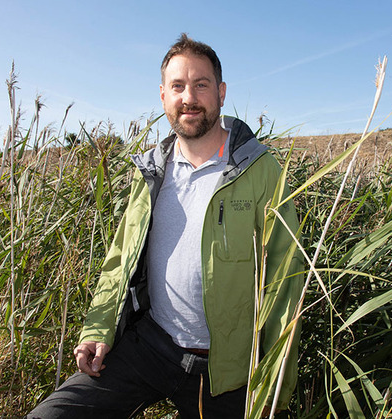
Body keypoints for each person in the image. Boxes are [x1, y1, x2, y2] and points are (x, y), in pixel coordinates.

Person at [27, 33, 303, 419]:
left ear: (221, 93)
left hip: (227, 370)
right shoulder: (152, 171)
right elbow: (120, 258)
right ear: (163, 97)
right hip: (152, 345)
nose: (188, 97)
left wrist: (272, 380)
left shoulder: (259, 169)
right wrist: (97, 329)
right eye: (178, 86)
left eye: (201, 85)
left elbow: (285, 279)